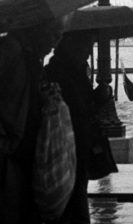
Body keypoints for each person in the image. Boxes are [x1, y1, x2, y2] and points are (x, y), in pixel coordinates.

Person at [0, 18, 64, 224]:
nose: (56, 42)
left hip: (19, 148)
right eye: (54, 33)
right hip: (10, 149)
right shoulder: (11, 53)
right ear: (37, 29)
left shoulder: (29, 57)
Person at [44, 31, 98, 224]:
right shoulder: (58, 73)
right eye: (85, 47)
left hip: (78, 149)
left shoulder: (77, 71)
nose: (88, 53)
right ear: (69, 46)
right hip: (64, 148)